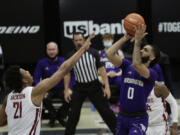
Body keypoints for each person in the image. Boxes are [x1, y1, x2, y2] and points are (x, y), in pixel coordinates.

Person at [0, 34, 94, 135]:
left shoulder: (8, 98)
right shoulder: (34, 92)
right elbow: (63, 70)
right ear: (24, 80)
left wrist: (17, 121)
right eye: (25, 71)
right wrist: (83, 48)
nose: (28, 71)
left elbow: (1, 122)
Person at [106, 24, 160, 135]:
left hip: (138, 119)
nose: (141, 51)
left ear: (152, 57)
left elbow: (137, 64)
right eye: (141, 49)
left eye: (145, 50)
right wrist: (125, 38)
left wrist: (137, 41)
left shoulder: (152, 74)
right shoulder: (127, 65)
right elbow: (109, 53)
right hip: (122, 116)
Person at [64, 32, 116, 135]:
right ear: (73, 42)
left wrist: (107, 87)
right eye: (76, 40)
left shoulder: (94, 53)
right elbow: (67, 73)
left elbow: (102, 70)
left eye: (80, 40)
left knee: (106, 113)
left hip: (94, 86)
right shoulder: (70, 55)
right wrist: (66, 89)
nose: (78, 42)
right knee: (73, 115)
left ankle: (119, 132)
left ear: (84, 40)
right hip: (79, 88)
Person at [33, 42, 71, 127]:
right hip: (47, 89)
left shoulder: (63, 61)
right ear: (47, 51)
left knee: (71, 97)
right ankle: (53, 115)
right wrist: (41, 90)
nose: (51, 51)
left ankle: (60, 116)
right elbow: (36, 78)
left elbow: (69, 76)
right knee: (44, 98)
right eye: (49, 49)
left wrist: (67, 89)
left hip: (61, 88)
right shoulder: (41, 63)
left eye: (53, 49)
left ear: (57, 50)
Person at [146, 64, 178, 135]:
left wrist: (174, 125)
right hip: (143, 126)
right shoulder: (137, 87)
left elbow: (173, 102)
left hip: (160, 126)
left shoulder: (159, 87)